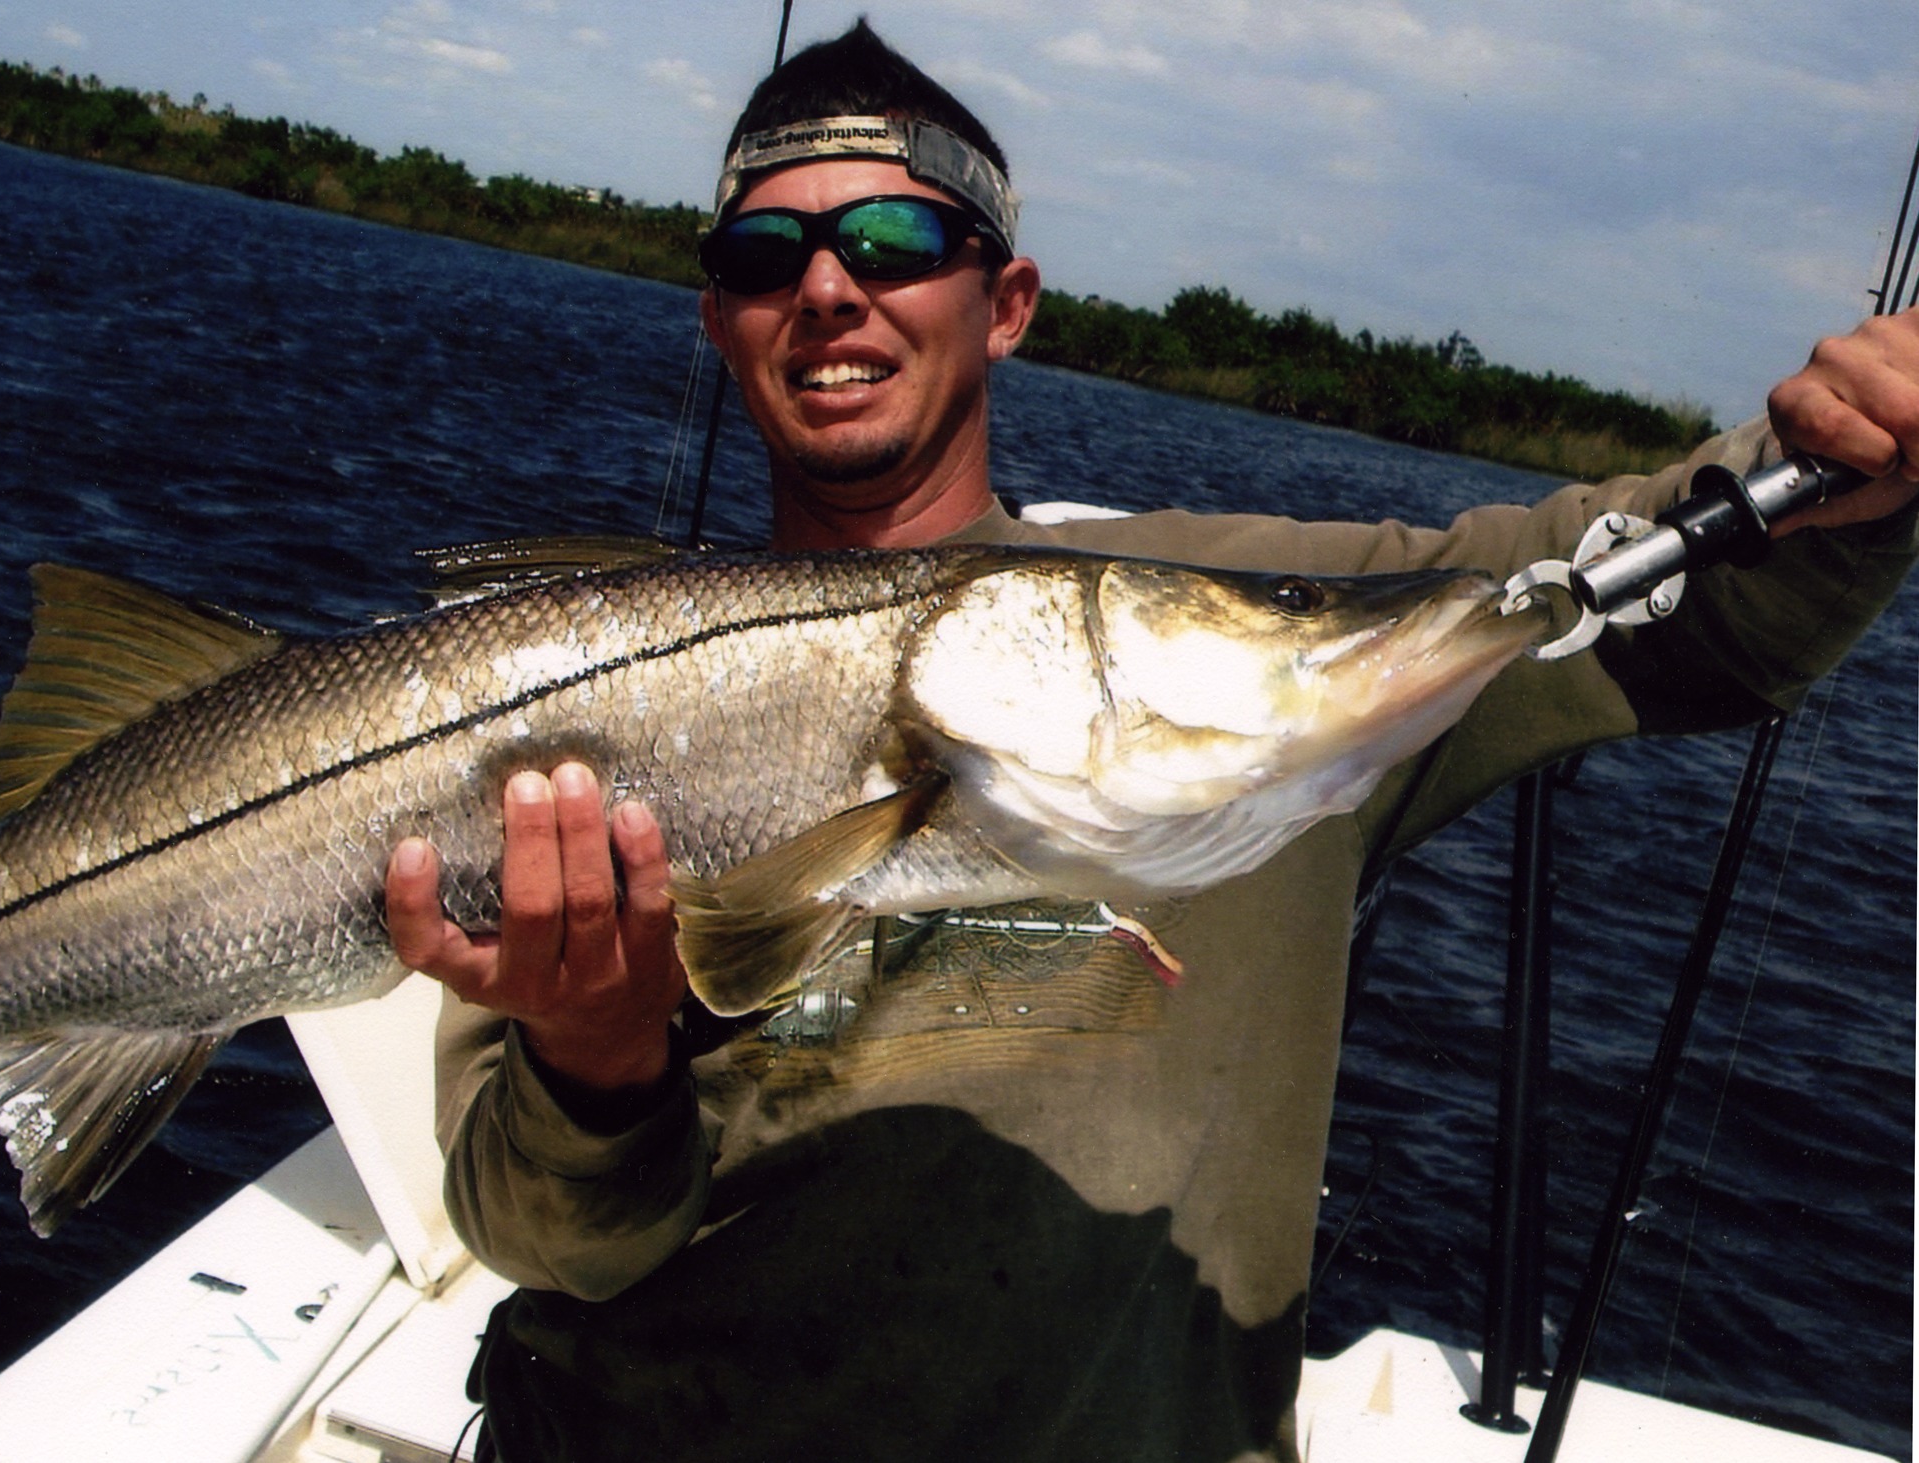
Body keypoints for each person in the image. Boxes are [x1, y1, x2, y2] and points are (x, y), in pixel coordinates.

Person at [384, 21, 1918, 1462]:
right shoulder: (568, 721)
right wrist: (590, 1059)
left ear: (1006, 305)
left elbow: (1654, 597)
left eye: (901, 240)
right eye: (764, 254)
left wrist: (1841, 459)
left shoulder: (1278, 632)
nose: (832, 289)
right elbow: (550, 1243)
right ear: (721, 316)